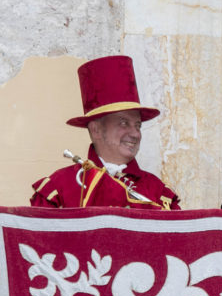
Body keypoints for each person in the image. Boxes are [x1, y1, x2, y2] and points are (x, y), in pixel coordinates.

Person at [31, 55, 181, 209]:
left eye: (138, 125)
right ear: (96, 130)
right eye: (123, 123)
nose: (135, 134)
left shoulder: (158, 192)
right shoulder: (59, 188)